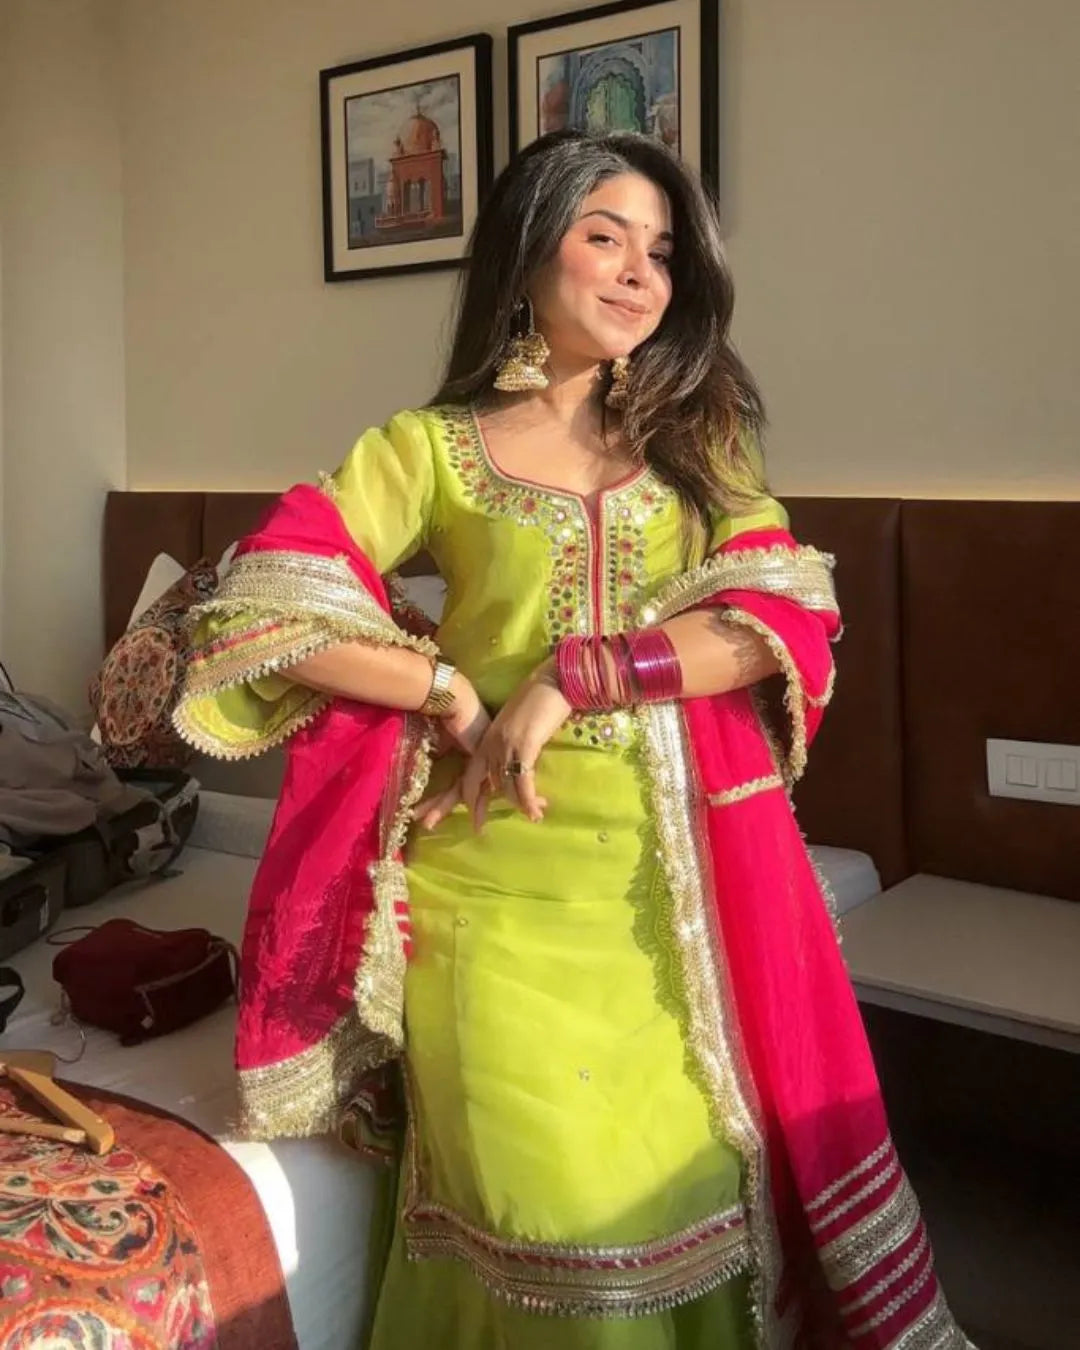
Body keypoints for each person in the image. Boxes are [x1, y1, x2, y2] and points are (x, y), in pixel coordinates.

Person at [175, 130, 971, 1349]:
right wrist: (443, 688)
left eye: (658, 251)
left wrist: (582, 674)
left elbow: (780, 619)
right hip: (487, 884)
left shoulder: (699, 441)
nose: (636, 273)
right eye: (605, 236)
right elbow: (253, 605)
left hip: (676, 892)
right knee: (541, 1205)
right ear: (526, 249)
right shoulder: (425, 448)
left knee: (691, 1191)